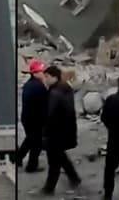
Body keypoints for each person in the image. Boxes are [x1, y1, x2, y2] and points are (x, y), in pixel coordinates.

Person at [38, 65, 81, 195]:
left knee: (54, 161)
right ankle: (74, 177)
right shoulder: (65, 88)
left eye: (47, 77)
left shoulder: (55, 93)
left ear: (54, 77)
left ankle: (49, 188)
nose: (44, 80)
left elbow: (49, 114)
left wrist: (43, 131)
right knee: (60, 156)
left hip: (55, 132)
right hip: (65, 130)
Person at [17, 59, 48, 172]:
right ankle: (31, 166)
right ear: (35, 73)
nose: (43, 73)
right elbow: (44, 106)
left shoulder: (28, 85)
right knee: (37, 144)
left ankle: (18, 158)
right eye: (41, 71)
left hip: (27, 118)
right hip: (35, 120)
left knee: (30, 139)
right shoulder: (39, 87)